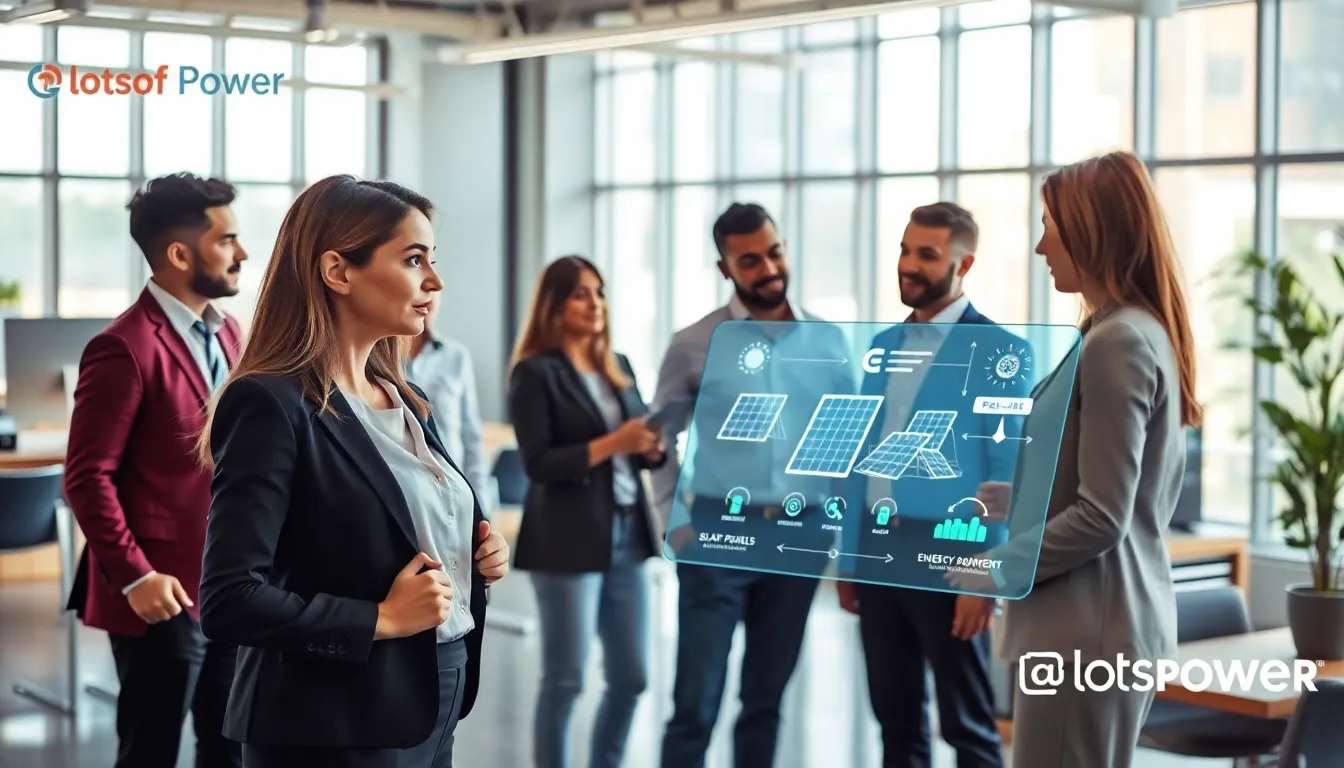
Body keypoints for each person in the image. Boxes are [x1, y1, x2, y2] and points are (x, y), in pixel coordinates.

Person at [194, 175, 511, 768]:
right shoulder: (271, 404)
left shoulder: (405, 396)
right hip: (331, 721)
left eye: (432, 260)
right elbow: (230, 598)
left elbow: (389, 531)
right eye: (414, 260)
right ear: (338, 271)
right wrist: (381, 618)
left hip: (432, 692)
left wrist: (475, 554)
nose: (435, 282)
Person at [947, 151, 1200, 768]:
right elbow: (1114, 487)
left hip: (1087, 636)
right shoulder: (1123, 329)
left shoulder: (1118, 340)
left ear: (1090, 232)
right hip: (1094, 626)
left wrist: (994, 568)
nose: (1040, 248)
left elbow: (1103, 516)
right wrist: (1026, 492)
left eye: (1049, 229)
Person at [650, 202, 852, 768]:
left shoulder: (832, 342)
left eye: (774, 252)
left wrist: (837, 528)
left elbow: (847, 445)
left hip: (799, 539)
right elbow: (656, 442)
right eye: (750, 260)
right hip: (716, 536)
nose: (768, 268)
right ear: (726, 269)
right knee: (696, 703)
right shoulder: (693, 343)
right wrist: (674, 523)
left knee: (766, 701)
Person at [63, 173, 247, 768]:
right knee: (151, 750)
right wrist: (137, 576)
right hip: (161, 596)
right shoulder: (124, 346)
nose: (242, 253)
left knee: (230, 745)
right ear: (179, 253)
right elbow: (87, 477)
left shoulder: (232, 334)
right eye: (228, 241)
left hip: (232, 584)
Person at [837, 202, 1014, 768]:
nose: (908, 265)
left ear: (964, 265)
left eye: (927, 255)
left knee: (967, 726)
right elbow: (859, 458)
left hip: (952, 551)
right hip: (881, 549)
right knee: (894, 719)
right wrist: (850, 557)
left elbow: (1004, 470)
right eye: (905, 250)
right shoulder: (882, 345)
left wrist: (987, 569)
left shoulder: (1002, 351)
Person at [507, 255, 666, 768]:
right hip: (566, 539)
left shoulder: (618, 365)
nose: (595, 303)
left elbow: (641, 443)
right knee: (566, 678)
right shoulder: (534, 372)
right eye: (580, 293)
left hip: (627, 534)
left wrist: (651, 448)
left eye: (598, 292)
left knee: (632, 675)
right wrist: (611, 442)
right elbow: (537, 463)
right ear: (555, 303)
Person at [406, 295, 491, 512]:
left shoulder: (456, 357)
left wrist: (482, 510)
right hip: (405, 498)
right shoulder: (375, 359)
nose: (432, 289)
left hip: (453, 497)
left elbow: (471, 440)